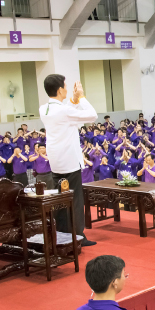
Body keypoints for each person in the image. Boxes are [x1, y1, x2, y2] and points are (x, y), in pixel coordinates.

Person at [39, 75, 98, 247]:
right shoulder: (63, 111)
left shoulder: (44, 109)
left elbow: (67, 113)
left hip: (56, 161)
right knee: (76, 201)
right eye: (65, 86)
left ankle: (62, 234)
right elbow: (92, 116)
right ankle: (78, 236)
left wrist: (73, 100)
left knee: (61, 200)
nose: (66, 89)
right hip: (70, 160)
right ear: (59, 90)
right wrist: (82, 97)